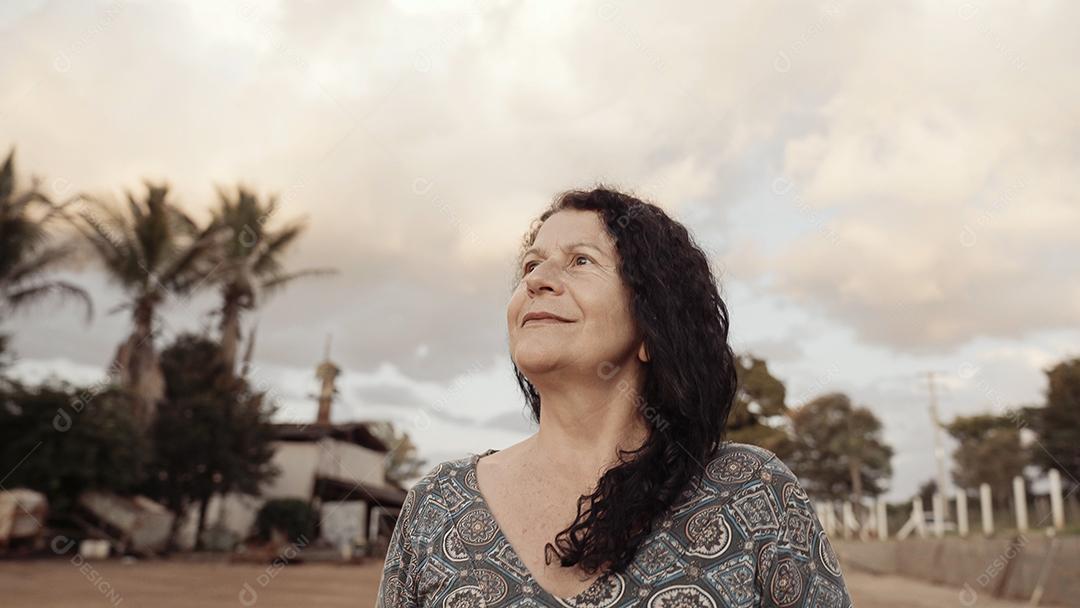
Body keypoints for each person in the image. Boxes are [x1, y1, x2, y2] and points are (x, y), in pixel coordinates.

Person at [376, 187, 853, 607]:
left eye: (581, 260)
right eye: (531, 264)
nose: (536, 279)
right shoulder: (437, 504)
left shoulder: (752, 493)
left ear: (652, 326)